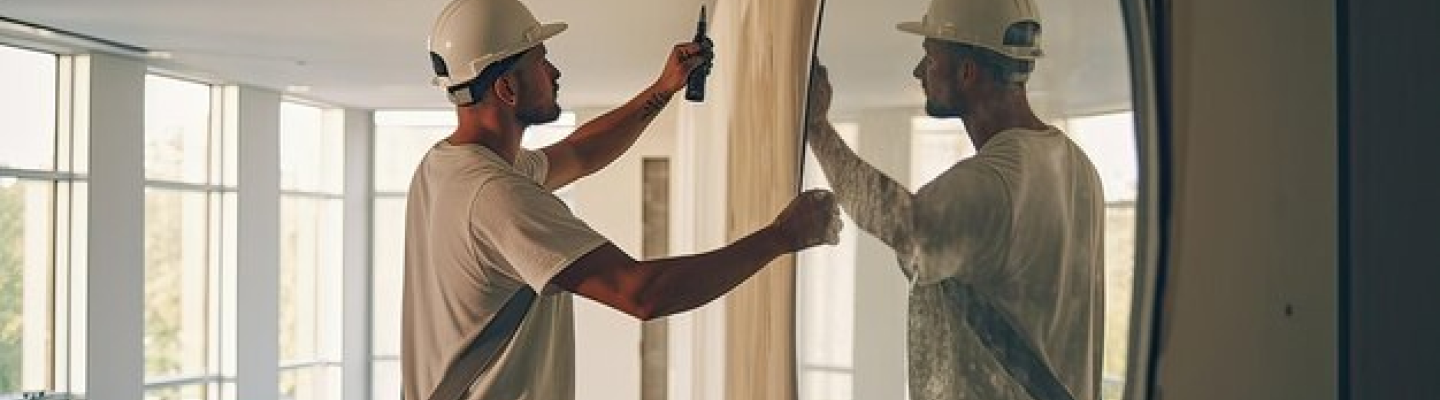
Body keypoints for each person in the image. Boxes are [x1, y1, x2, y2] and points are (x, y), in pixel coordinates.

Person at [403, 0, 843, 399]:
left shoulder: (447, 168)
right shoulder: (496, 195)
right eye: (542, 61)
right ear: (507, 90)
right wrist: (782, 237)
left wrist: (663, 88)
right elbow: (641, 294)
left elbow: (578, 153)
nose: (554, 72)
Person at [804, 0, 1104, 398]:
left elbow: (901, 224)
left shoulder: (996, 181)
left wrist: (817, 128)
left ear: (967, 71)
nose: (918, 71)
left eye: (929, 57)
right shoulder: (1078, 167)